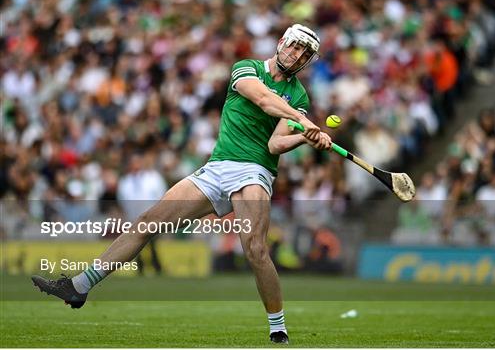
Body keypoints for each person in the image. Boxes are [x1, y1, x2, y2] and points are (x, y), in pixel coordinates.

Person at [31, 24, 332, 344]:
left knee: (255, 248)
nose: (297, 54)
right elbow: (262, 99)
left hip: (255, 169)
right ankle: (79, 287)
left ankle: (278, 327)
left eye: (305, 53)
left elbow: (275, 145)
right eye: (295, 46)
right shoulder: (247, 68)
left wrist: (304, 137)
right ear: (282, 42)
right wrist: (305, 122)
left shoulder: (298, 95)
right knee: (147, 222)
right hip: (217, 167)